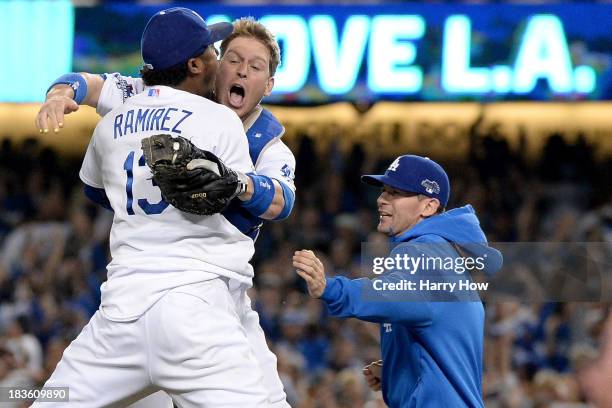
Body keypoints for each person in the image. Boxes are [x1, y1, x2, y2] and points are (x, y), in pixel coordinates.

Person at [36, 16, 294, 408]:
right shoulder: (182, 104)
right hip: (197, 305)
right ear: (207, 64)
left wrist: (235, 184)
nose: (240, 70)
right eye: (230, 57)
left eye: (254, 67)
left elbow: (281, 201)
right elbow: (85, 82)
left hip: (154, 305)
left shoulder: (265, 144)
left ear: (268, 85)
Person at [293, 155, 503, 407]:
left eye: (395, 193)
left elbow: (388, 296)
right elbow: (437, 332)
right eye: (383, 191)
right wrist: (398, 368)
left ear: (428, 206)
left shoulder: (424, 251)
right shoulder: (438, 251)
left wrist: (330, 288)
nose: (381, 199)